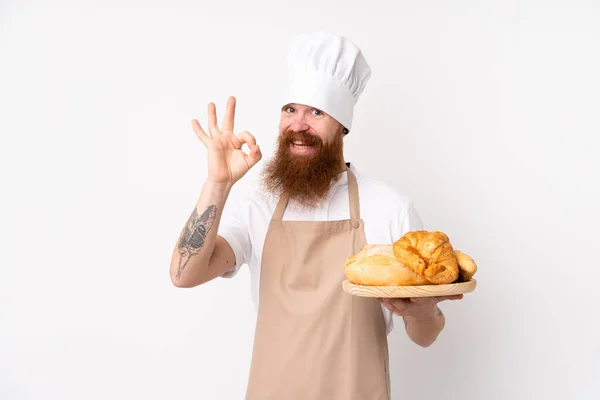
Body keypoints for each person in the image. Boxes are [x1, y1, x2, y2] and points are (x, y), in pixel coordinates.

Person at [169, 31, 463, 399]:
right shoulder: (256, 205)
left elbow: (425, 338)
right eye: (290, 109)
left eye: (316, 111)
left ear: (342, 125)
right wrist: (218, 183)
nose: (299, 125)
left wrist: (422, 311)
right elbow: (184, 275)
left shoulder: (388, 207)